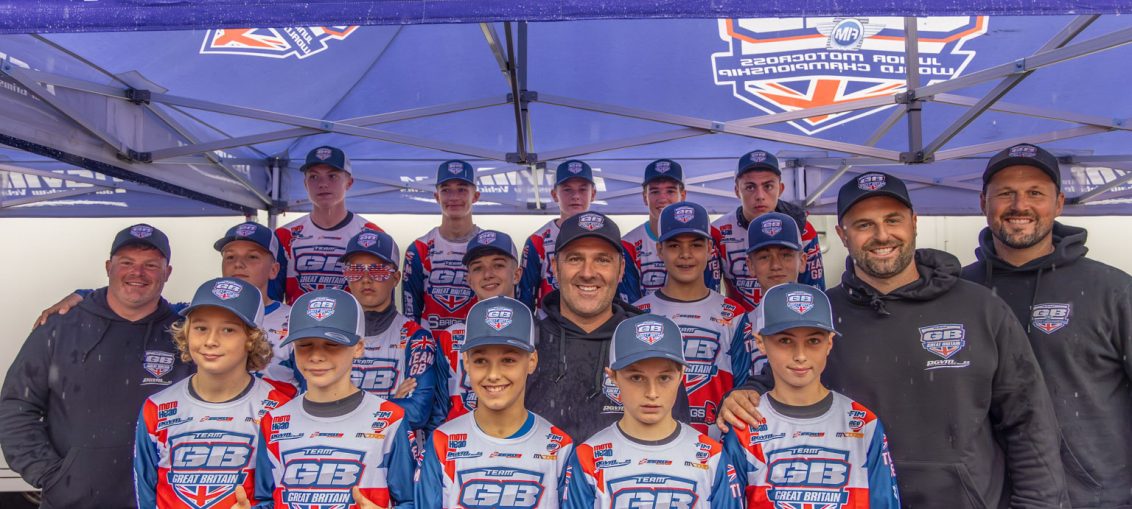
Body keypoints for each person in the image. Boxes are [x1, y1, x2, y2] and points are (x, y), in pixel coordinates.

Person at [719, 172, 1069, 508]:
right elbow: (784, 375)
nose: (882, 235)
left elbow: (1029, 423)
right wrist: (747, 392)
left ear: (914, 223)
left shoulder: (981, 308)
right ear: (842, 234)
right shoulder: (822, 316)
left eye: (893, 220)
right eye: (864, 225)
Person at [962, 143, 1132, 509]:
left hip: (1095, 499)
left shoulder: (1114, 291)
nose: (1019, 205)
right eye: (1005, 193)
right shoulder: (957, 293)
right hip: (987, 498)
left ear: (1059, 204)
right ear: (983, 203)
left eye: (1035, 193)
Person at [0, 224, 193, 509]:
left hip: (159, 501)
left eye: (151, 265)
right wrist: (51, 475)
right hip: (72, 502)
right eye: (126, 262)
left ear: (168, 273)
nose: (137, 273)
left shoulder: (186, 335)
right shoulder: (59, 327)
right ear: (108, 267)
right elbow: (17, 405)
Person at [35, 221, 300, 386]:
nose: (238, 264)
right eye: (230, 257)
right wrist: (85, 295)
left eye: (252, 257)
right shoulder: (192, 314)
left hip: (275, 436)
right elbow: (142, 303)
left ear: (274, 269)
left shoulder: (295, 321)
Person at [721, 283, 900, 508]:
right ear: (760, 343)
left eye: (813, 341)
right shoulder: (745, 425)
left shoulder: (863, 424)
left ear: (829, 343)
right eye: (785, 341)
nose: (800, 355)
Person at [134, 277, 296, 508]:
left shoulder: (279, 409)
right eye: (201, 328)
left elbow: (287, 495)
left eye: (228, 330)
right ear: (186, 332)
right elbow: (146, 494)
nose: (210, 341)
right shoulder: (157, 407)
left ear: (252, 338)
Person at [559, 314, 741, 509]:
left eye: (664, 378)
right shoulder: (588, 457)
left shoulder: (712, 457)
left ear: (681, 375)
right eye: (637, 378)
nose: (652, 393)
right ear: (613, 377)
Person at [253, 289, 415, 508]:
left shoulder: (390, 420)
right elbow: (264, 500)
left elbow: (409, 501)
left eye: (332, 344)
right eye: (305, 344)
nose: (316, 356)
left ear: (358, 347)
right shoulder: (273, 421)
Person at [415, 296, 573, 508]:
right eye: (481, 361)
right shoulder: (442, 442)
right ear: (466, 362)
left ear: (532, 361)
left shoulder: (559, 447)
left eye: (508, 360)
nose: (493, 375)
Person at [524, 211, 655, 441]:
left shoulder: (646, 346)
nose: (587, 273)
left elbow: (672, 440)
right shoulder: (525, 341)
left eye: (602, 260)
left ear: (621, 269)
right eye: (575, 259)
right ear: (555, 267)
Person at [632, 201, 749, 438]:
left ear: (710, 248)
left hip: (717, 446)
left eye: (695, 245)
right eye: (674, 245)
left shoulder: (734, 314)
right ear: (659, 250)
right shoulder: (637, 314)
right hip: (650, 442)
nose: (685, 255)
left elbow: (745, 389)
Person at [327, 229, 444, 432]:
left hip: (393, 449)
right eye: (355, 270)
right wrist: (392, 403)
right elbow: (317, 404)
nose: (366, 279)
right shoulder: (329, 337)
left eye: (378, 270)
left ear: (396, 278)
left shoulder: (416, 337)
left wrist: (342, 405)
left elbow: (417, 412)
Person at [711, 150, 824, 312]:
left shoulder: (803, 229)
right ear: (737, 191)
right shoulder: (717, 231)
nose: (760, 196)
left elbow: (816, 293)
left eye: (768, 186)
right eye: (750, 187)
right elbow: (710, 295)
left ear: (781, 188)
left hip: (792, 318)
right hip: (739, 321)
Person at [434, 229, 523, 421]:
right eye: (477, 268)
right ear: (469, 280)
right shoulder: (450, 337)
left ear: (517, 274)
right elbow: (437, 413)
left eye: (498, 265)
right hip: (460, 438)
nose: (488, 274)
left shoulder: (536, 331)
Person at [275, 145, 382, 304]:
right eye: (314, 177)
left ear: (349, 182)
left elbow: (382, 303)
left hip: (353, 320)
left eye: (332, 176)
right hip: (297, 320)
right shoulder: (284, 235)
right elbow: (271, 303)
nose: (323, 184)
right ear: (305, 184)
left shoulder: (372, 235)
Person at [621, 159, 720, 301]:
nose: (662, 198)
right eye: (655, 191)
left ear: (683, 195)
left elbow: (710, 296)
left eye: (670, 191)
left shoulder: (705, 238)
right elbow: (630, 305)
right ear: (644, 197)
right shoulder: (628, 244)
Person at [403, 159, 482, 331]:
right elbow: (410, 314)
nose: (454, 197)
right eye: (446, 190)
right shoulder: (419, 249)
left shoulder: (487, 247)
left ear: (476, 196)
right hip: (429, 343)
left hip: (478, 343)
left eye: (462, 189)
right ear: (437, 197)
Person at [518, 159, 599, 311]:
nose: (575, 196)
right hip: (548, 323)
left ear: (593, 194)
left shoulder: (605, 237)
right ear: (554, 195)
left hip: (594, 321)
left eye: (583, 189)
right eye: (567, 190)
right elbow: (525, 297)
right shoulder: (537, 241)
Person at [742, 212, 809, 378]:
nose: (776, 265)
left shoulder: (825, 319)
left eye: (786, 255)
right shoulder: (739, 326)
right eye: (764, 257)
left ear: (802, 261)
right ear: (750, 265)